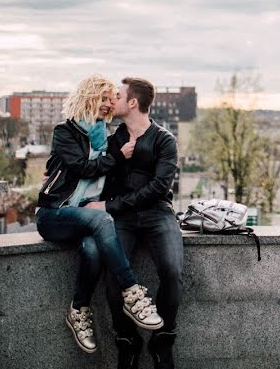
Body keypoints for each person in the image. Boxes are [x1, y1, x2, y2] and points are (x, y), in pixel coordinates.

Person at [36, 74, 164, 355]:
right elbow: (84, 168)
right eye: (103, 98)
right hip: (54, 214)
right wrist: (117, 156)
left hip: (85, 218)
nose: (108, 104)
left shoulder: (103, 139)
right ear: (89, 98)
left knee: (93, 250)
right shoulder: (65, 132)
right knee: (102, 218)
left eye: (111, 98)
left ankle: (78, 310)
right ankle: (131, 292)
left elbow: (112, 178)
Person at [85, 77, 184, 369]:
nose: (112, 100)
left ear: (133, 103)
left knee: (172, 271)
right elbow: (94, 171)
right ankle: (128, 343)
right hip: (122, 219)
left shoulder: (164, 139)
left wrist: (110, 205)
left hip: (157, 213)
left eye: (118, 95)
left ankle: (162, 342)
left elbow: (157, 188)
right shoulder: (112, 139)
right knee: (114, 282)